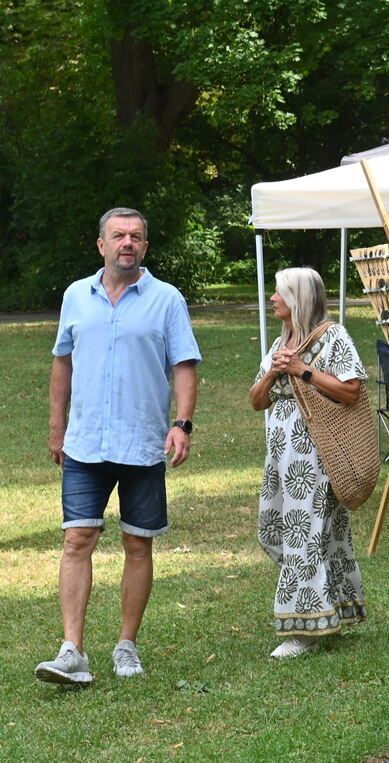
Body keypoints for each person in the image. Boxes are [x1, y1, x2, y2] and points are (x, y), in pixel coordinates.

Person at [37, 207, 200, 685]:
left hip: (143, 441)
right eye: (118, 236)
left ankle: (126, 646)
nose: (127, 243)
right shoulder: (75, 296)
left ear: (144, 248)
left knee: (136, 543)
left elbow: (184, 365)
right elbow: (62, 363)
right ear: (101, 245)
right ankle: (72, 651)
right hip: (85, 443)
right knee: (77, 539)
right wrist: (55, 425)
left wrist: (182, 424)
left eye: (135, 237)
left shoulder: (166, 299)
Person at [249, 268, 368, 659]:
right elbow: (256, 401)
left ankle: (302, 627)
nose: (272, 298)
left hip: (317, 450)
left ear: (297, 298)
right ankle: (333, 607)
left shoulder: (332, 337)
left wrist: (302, 370)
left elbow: (351, 390)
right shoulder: (281, 342)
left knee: (304, 532)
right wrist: (274, 374)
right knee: (277, 527)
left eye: (279, 292)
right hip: (282, 451)